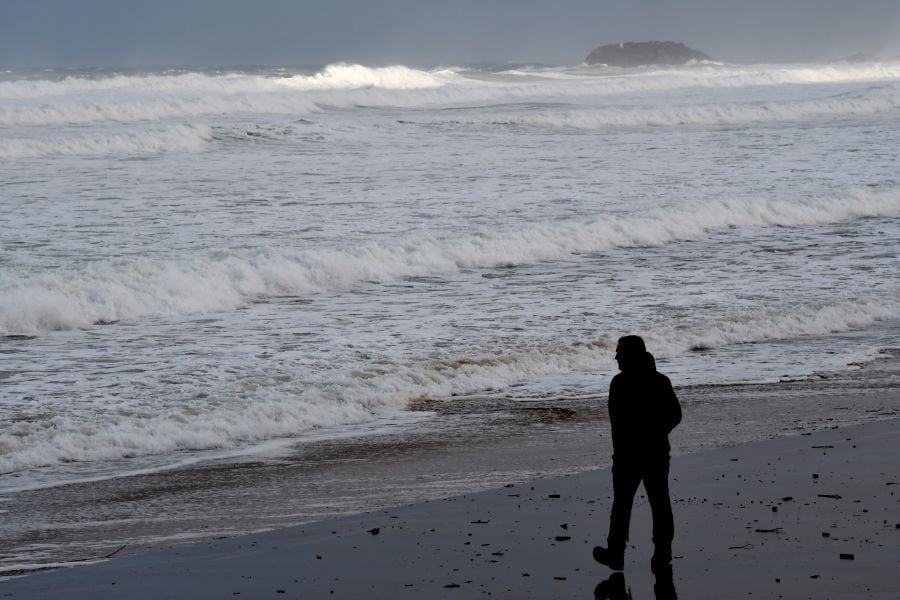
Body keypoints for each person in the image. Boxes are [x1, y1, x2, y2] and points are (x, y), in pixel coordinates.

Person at [593, 335, 682, 573]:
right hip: (656, 453)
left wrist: (622, 451)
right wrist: (657, 433)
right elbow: (675, 415)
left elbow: (617, 424)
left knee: (622, 505)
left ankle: (616, 554)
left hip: (628, 456)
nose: (616, 356)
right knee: (660, 502)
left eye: (619, 352)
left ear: (629, 355)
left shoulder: (619, 384)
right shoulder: (660, 381)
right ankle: (662, 554)